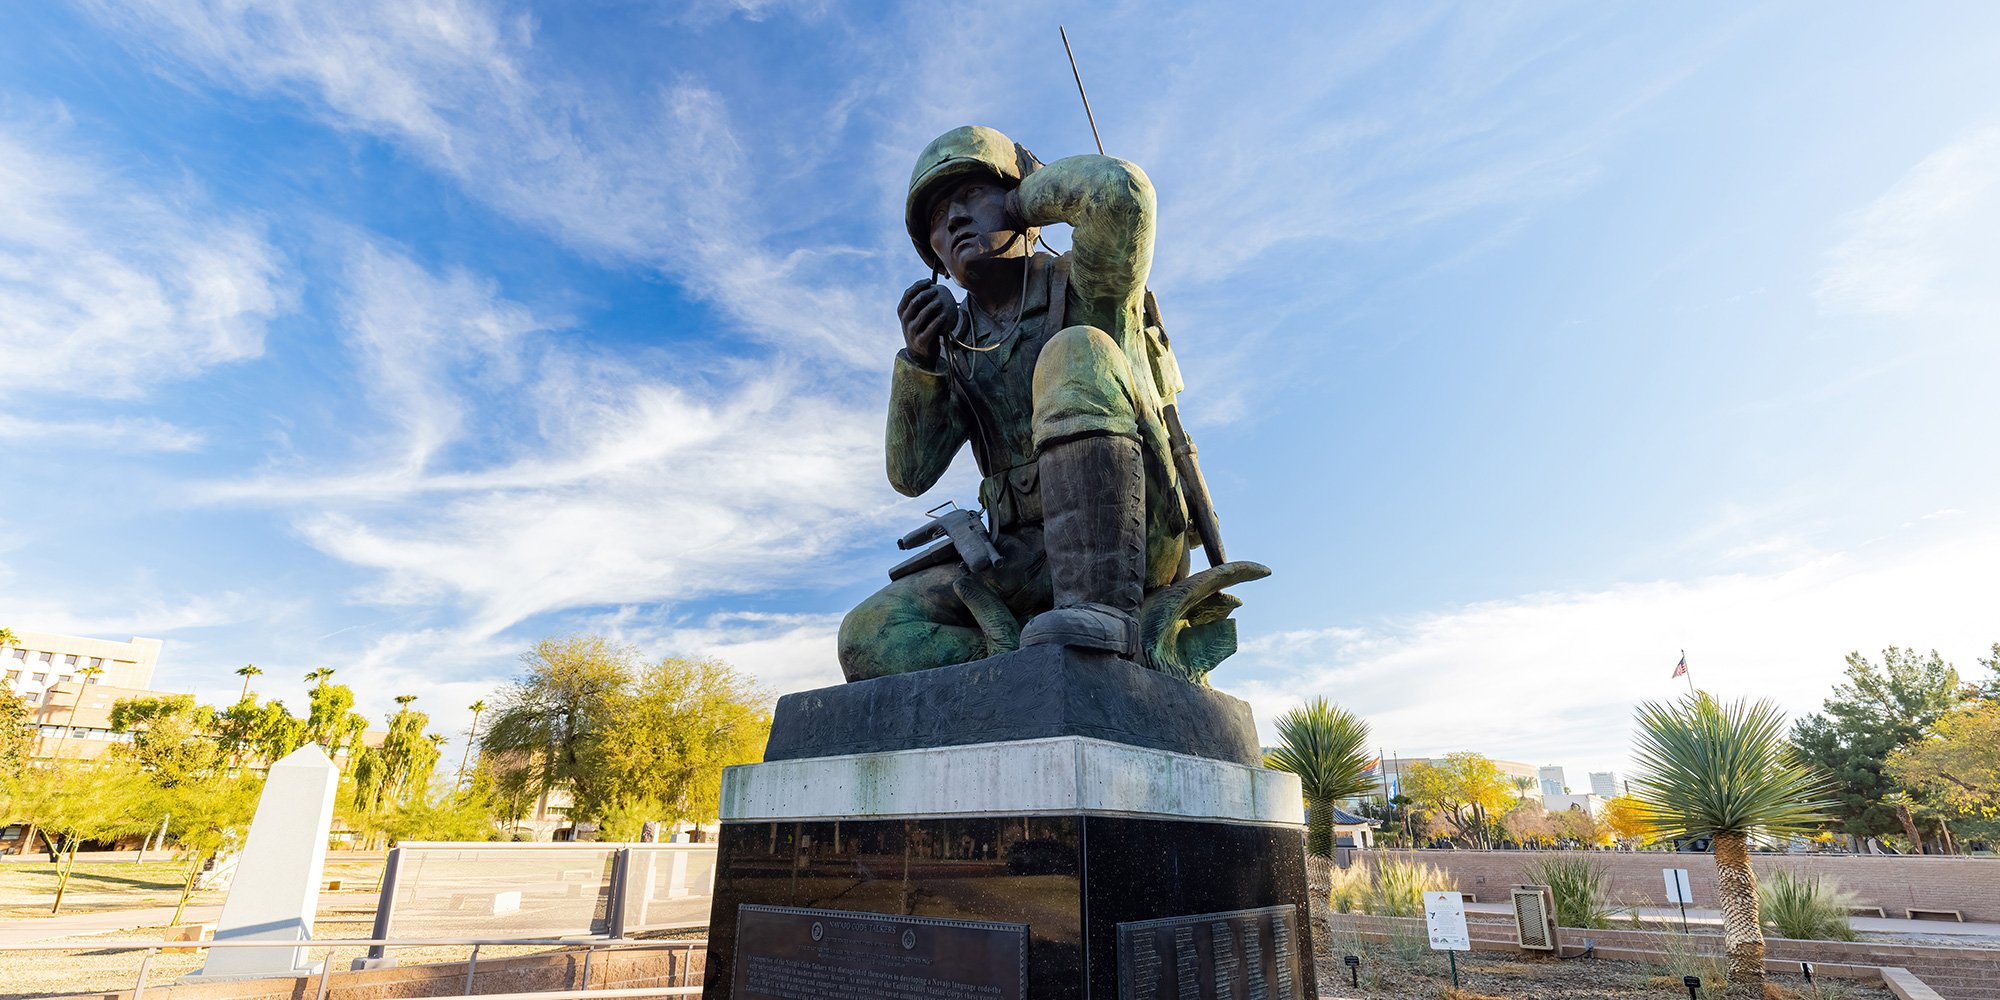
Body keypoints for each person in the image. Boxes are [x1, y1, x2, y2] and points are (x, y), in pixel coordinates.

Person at [836, 125, 1193, 681]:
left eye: (970, 196)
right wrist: (922, 362)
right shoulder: (957, 343)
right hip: (1019, 558)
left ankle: (1105, 618)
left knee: (1075, 351)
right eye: (935, 218)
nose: (951, 221)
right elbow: (909, 475)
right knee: (869, 637)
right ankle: (1015, 667)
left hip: (1129, 540)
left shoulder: (1090, 287)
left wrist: (1023, 194)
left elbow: (1120, 192)